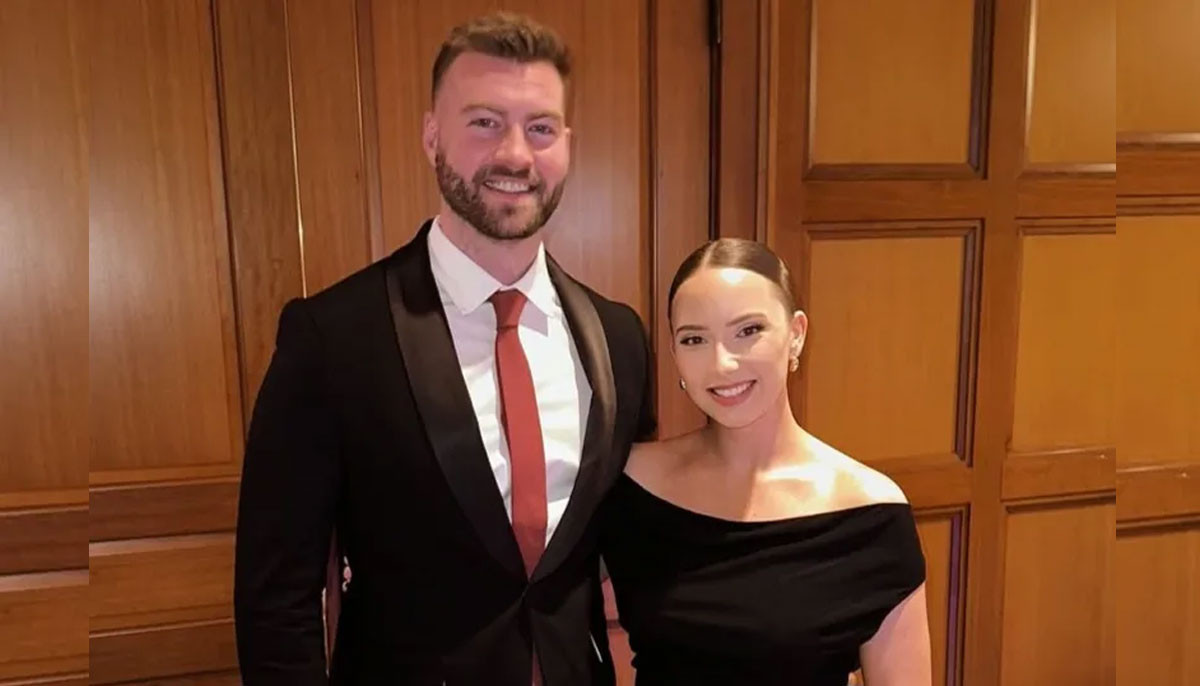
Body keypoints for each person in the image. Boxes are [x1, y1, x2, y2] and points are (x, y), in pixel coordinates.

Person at [234, 13, 655, 685]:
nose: (515, 155)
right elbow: (275, 598)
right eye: (484, 122)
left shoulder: (620, 339)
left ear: (567, 145)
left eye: (540, 128)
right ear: (432, 135)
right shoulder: (332, 337)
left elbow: (637, 556)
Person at [600, 239, 931, 685]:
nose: (722, 363)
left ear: (796, 334)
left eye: (748, 330)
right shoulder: (631, 482)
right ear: (675, 354)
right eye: (695, 339)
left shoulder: (871, 513)